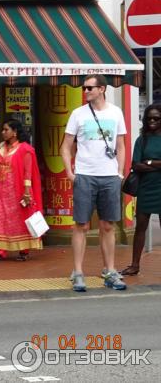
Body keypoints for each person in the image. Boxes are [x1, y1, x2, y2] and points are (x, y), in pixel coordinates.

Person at [60, 74, 127, 292]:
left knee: (108, 225)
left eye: (89, 88)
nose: (85, 91)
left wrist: (119, 173)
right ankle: (78, 272)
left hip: (109, 176)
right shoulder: (78, 114)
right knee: (81, 224)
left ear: (102, 89)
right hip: (85, 175)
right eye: (84, 88)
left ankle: (110, 270)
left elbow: (121, 144)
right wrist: (70, 172)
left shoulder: (116, 112)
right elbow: (66, 145)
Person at [0, 119, 43, 261]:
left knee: (19, 219)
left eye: (6, 130)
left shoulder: (25, 149)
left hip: (17, 191)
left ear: (15, 132)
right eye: (3, 130)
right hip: (0, 189)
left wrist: (27, 191)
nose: (3, 132)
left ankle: (23, 250)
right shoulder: (1, 148)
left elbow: (28, 172)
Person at [120, 103, 161, 276]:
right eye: (149, 118)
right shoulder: (141, 139)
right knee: (140, 228)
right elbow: (135, 165)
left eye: (156, 118)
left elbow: (143, 163)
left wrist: (149, 162)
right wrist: (157, 165)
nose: (152, 121)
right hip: (145, 188)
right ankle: (135, 265)